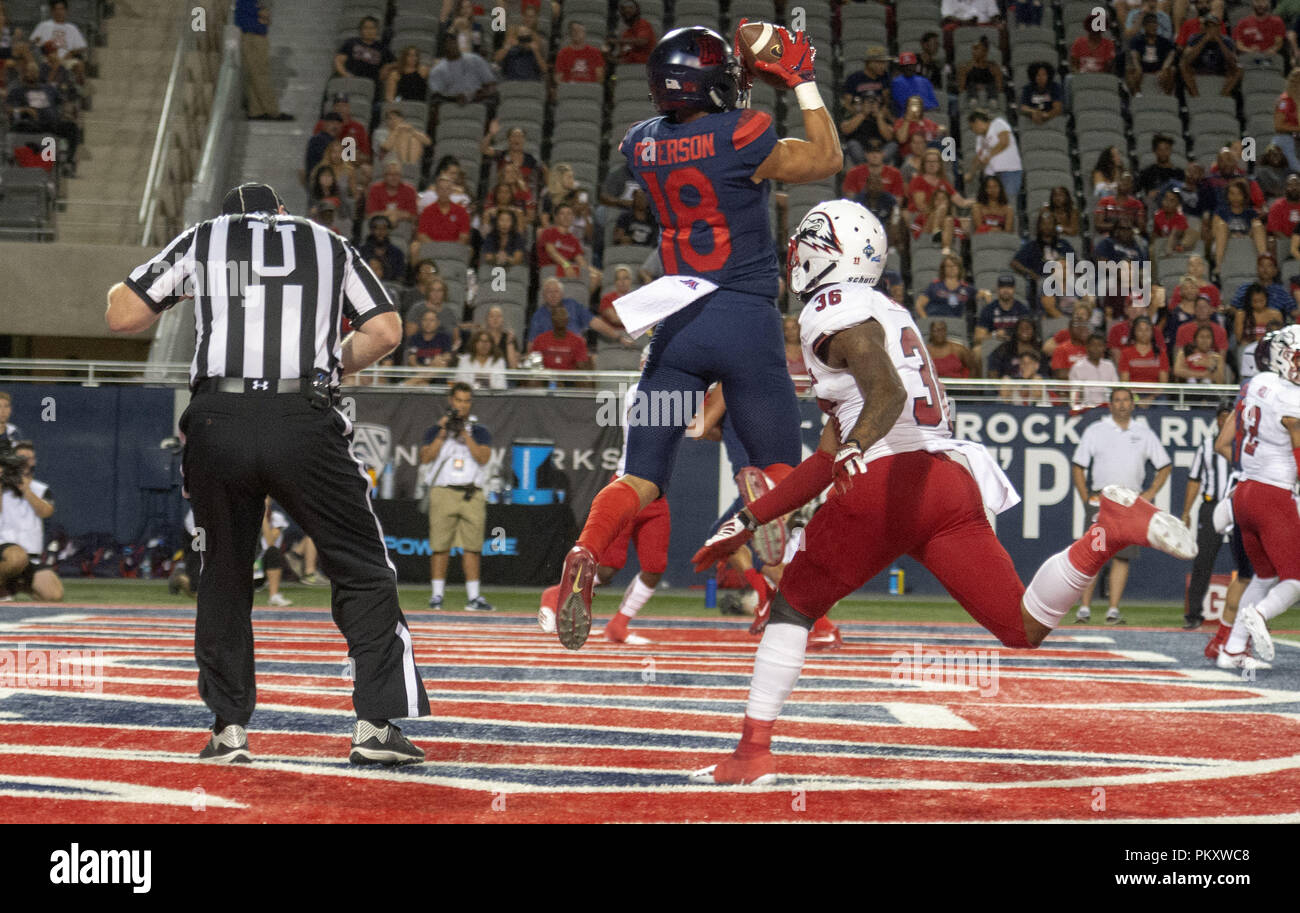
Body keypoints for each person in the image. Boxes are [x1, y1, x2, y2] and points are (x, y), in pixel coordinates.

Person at [689, 202, 1196, 785]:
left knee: (792, 606)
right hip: (947, 482)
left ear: (833, 254)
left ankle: (752, 753)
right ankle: (1106, 533)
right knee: (1021, 626)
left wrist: (858, 447)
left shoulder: (833, 309)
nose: (796, 254)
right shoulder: (886, 308)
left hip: (885, 483)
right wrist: (750, 519)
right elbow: (827, 455)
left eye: (807, 242)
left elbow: (885, 394)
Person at [105, 182, 429, 764]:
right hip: (300, 414)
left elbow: (121, 313)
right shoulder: (327, 240)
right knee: (360, 566)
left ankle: (228, 730)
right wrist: (331, 363)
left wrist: (189, 290)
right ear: (281, 213)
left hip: (217, 418)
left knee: (224, 573)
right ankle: (376, 727)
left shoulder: (205, 237)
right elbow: (385, 331)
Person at [549, 24, 843, 650]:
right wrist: (802, 82)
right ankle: (763, 499)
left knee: (640, 475)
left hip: (677, 323)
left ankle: (585, 551)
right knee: (779, 463)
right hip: (744, 317)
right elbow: (826, 160)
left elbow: (677, 132)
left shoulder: (640, 145)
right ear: (713, 86)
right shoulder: (743, 133)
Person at [539, 379, 668, 645]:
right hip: (629, 486)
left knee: (655, 566)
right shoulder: (640, 389)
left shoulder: (672, 387)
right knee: (607, 570)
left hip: (655, 492)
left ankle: (618, 625)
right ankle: (554, 595)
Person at [1220, 326, 1300, 668]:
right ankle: (1260, 615)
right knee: (1295, 580)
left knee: (1263, 576)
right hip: (1272, 494)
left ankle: (1232, 650)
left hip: (1245, 491)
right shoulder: (1291, 398)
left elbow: (1235, 436)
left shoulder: (1256, 384)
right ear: (1282, 356)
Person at [1071, 388, 1174, 624]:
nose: (1122, 405)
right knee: (1092, 554)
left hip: (1129, 501)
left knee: (1122, 557)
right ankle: (1084, 608)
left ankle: (1113, 609)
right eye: (1117, 400)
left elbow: (1165, 465)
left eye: (1126, 400)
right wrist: (1085, 496)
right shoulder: (1096, 430)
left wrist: (1149, 494)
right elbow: (1078, 464)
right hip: (1102, 500)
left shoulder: (1144, 432)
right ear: (1110, 404)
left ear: (1132, 404)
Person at [416, 382, 493, 611]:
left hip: (471, 493)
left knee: (473, 547)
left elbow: (483, 458)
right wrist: (443, 433)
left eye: (466, 401)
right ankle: (437, 595)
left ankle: (474, 597)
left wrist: (463, 433)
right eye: (458, 400)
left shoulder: (480, 431)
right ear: (451, 401)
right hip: (443, 491)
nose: (462, 405)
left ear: (470, 404)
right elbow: (425, 457)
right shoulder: (435, 430)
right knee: (440, 545)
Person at [1181, 399, 1236, 629]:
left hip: (1237, 506)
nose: (1225, 419)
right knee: (1203, 561)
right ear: (1217, 419)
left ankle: (1254, 616)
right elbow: (1194, 480)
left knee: (1250, 563)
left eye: (1229, 415)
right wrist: (1186, 511)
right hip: (1212, 505)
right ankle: (1194, 614)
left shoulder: (1245, 446)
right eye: (1222, 415)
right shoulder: (1205, 445)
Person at [0, 440, 62, 602]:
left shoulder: (40, 489)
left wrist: (26, 490)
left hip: (31, 557)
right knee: (16, 558)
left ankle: (14, 586)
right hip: (4, 551)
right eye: (21, 457)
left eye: (30, 458)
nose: (25, 461)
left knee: (53, 595)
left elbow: (46, 511)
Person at [235, 0, 290, 121]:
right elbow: (258, 13)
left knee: (256, 75)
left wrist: (263, 15)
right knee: (260, 75)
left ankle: (256, 111)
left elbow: (266, 16)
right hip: (252, 37)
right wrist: (260, 14)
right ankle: (272, 111)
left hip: (256, 36)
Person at [967, 109, 1023, 208]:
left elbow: (1004, 142)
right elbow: (978, 157)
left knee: (1009, 203)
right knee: (993, 205)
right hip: (992, 174)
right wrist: (971, 173)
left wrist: (989, 156)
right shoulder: (979, 139)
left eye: (972, 127)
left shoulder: (998, 124)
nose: (973, 131)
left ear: (978, 122)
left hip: (1009, 170)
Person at [1181, 14, 1242, 97]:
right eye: (1208, 27)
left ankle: (1223, 95)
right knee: (1183, 65)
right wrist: (1204, 41)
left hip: (1219, 71)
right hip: (1200, 70)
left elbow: (1232, 62)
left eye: (1214, 27)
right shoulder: (1194, 38)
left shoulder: (1227, 40)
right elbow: (1188, 59)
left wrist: (1220, 42)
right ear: (1204, 28)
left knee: (1239, 69)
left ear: (1219, 28)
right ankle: (1196, 96)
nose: (1211, 30)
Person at [427, 35, 497, 106]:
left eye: (454, 42)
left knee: (492, 99)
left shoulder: (475, 59)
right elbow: (437, 95)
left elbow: (491, 84)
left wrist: (476, 95)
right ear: (443, 48)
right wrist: (456, 98)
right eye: (449, 44)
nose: (453, 46)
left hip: (478, 101)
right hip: (451, 105)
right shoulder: (437, 70)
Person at [529, 304, 594, 371]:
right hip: (545, 377)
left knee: (582, 379)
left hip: (569, 378)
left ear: (567, 319)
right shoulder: (540, 340)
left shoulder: (578, 341)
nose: (560, 318)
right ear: (552, 319)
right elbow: (535, 365)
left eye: (563, 315)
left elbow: (581, 366)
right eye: (557, 316)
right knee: (533, 380)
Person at [1127, 11, 1178, 95]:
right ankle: (1137, 94)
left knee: (1172, 70)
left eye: (1155, 23)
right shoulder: (1137, 40)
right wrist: (1138, 67)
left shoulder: (1163, 41)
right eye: (1150, 24)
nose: (1153, 26)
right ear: (1144, 26)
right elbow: (1134, 55)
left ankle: (1166, 95)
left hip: (1158, 66)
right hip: (1143, 65)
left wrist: (1165, 67)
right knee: (1130, 69)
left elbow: (1172, 52)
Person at [334, 16, 394, 88]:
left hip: (371, 85)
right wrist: (346, 75)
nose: (369, 31)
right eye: (365, 28)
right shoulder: (351, 42)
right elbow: (338, 61)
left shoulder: (382, 48)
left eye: (372, 28)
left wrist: (387, 67)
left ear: (377, 30)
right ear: (360, 30)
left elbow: (398, 62)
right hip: (349, 81)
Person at [974, 275, 1031, 345]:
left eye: (1009, 287)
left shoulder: (1022, 309)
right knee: (977, 350)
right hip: (994, 345)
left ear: (1014, 289)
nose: (1006, 290)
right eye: (1002, 287)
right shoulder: (988, 309)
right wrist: (994, 335)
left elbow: (1030, 335)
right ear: (997, 289)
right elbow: (977, 338)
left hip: (1017, 344)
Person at [1069, 333, 1120, 409]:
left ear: (1104, 348)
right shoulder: (1077, 367)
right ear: (1087, 347)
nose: (1096, 348)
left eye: (1100, 345)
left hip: (1107, 408)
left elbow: (1116, 389)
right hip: (1085, 408)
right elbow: (1074, 394)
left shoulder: (1109, 366)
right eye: (1093, 345)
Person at [1117, 316, 1169, 383]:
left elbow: (1163, 383)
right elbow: (1125, 382)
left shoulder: (1161, 353)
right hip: (1132, 392)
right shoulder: (1126, 353)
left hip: (1156, 392)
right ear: (1134, 332)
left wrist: (1153, 394)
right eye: (1140, 330)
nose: (1144, 333)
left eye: (1147, 330)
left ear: (1152, 332)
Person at [890, 51, 939, 116]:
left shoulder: (925, 81)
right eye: (906, 65)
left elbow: (934, 103)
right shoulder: (896, 82)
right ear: (901, 67)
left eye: (911, 65)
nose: (909, 68)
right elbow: (903, 105)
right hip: (909, 116)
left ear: (915, 65)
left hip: (929, 114)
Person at [610, 0, 655, 65]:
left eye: (630, 8)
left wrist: (617, 41)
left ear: (637, 11)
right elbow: (625, 58)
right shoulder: (626, 34)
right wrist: (609, 58)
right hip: (630, 68)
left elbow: (642, 41)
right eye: (624, 9)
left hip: (645, 66)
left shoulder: (643, 24)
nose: (627, 10)